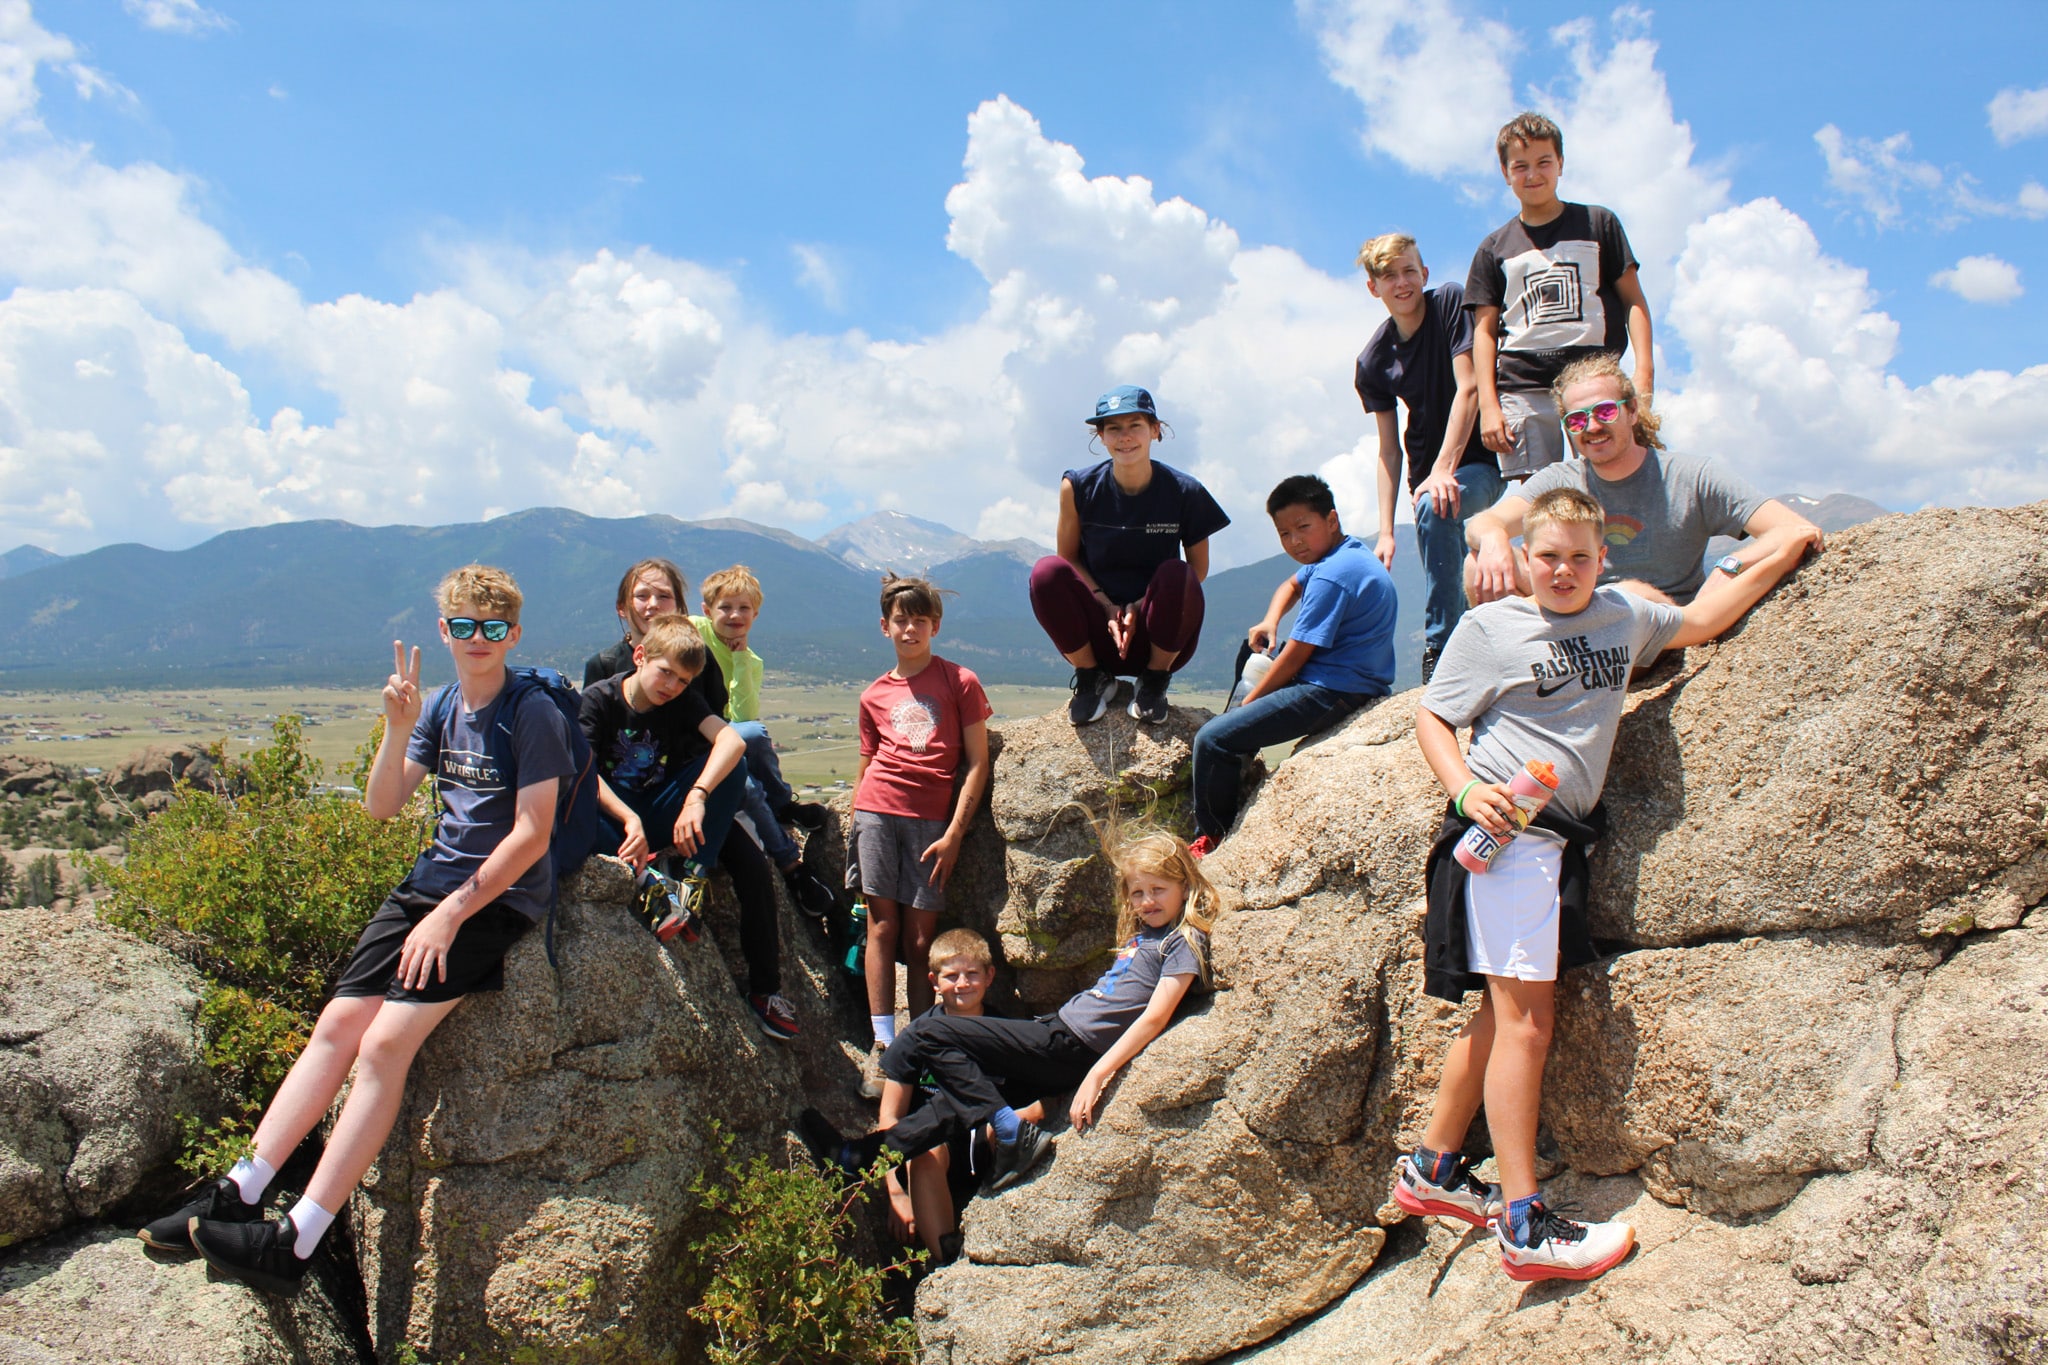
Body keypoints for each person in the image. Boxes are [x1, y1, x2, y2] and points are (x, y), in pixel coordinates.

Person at [1395, 487, 1818, 1283]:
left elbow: (1706, 616)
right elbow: (1434, 715)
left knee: (1500, 1013)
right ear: (1526, 557)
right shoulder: (1493, 628)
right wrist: (1463, 788)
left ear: (1602, 559)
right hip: (1508, 838)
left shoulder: (1623, 614)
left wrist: (1785, 544)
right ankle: (1524, 1224)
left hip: (1556, 844)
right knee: (1527, 1025)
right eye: (1548, 556)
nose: (1563, 571)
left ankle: (1434, 1168)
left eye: (1579, 558)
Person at [143, 565, 574, 1295]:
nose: (477, 639)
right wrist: (398, 727)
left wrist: (451, 914)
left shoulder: (530, 713)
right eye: (464, 625)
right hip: (428, 885)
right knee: (339, 1023)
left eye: (493, 627)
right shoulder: (442, 706)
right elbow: (381, 805)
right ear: (444, 630)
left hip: (493, 900)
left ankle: (297, 1239)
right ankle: (241, 1190)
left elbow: (532, 835)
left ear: (514, 635)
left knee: (383, 1044)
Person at [820, 827, 1220, 1196]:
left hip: (1067, 1045)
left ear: (1184, 886)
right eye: (1137, 893)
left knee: (928, 1033)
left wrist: (1098, 1074)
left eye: (1158, 890)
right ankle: (856, 1159)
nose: (1147, 901)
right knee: (951, 1107)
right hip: (1057, 1038)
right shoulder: (1146, 935)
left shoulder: (1181, 941)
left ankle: (1003, 1128)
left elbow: (1155, 1016)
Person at [578, 614, 800, 1040]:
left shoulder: (680, 700)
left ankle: (688, 877)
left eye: (683, 680)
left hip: (664, 811)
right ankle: (648, 878)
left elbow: (732, 741)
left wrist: (697, 796)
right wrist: (629, 819)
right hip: (614, 817)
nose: (672, 686)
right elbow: (583, 774)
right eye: (665, 673)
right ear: (640, 656)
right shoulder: (598, 699)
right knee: (569, 814)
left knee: (734, 781)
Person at [1464, 354, 1824, 611]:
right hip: (1582, 614)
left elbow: (1795, 529)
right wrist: (1494, 537)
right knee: (1477, 561)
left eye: (1605, 411)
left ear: (1633, 410)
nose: (1592, 427)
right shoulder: (1561, 480)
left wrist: (1730, 566)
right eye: (1576, 420)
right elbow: (1483, 523)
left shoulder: (1692, 476)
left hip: (1658, 623)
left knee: (1633, 596)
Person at [799, 929, 1044, 1267]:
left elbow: (1035, 1097)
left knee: (1010, 1122)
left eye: (972, 974)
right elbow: (890, 1117)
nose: (962, 984)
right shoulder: (916, 1037)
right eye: (951, 976)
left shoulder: (1005, 1030)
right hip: (929, 1157)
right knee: (928, 1150)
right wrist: (896, 1193)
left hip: (985, 1148)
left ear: (990, 976)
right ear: (933, 981)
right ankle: (947, 1258)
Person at [1188, 474, 1396, 858]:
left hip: (1334, 689)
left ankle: (1211, 836)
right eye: (1284, 533)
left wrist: (1250, 703)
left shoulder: (1334, 574)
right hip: (1332, 676)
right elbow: (1291, 585)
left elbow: (1297, 655)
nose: (1295, 541)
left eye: (1303, 528)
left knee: (1212, 739)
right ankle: (1237, 755)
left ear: (1331, 520)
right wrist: (1271, 621)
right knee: (1252, 650)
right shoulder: (1339, 553)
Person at [851, 575, 993, 1097]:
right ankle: (883, 1045)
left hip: (932, 824)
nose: (909, 629)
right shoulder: (873, 694)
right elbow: (867, 764)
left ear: (935, 626)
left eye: (919, 620)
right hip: (875, 814)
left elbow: (976, 764)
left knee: (918, 941)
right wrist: (854, 830)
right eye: (900, 620)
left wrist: (955, 833)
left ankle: (922, 1041)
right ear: (884, 626)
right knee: (881, 928)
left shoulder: (960, 681)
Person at [1465, 112, 1652, 484]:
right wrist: (1489, 404)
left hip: (1595, 381)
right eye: (1520, 166)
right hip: (1524, 385)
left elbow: (1633, 300)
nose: (1533, 174)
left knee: (1616, 481)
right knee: (1540, 497)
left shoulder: (1599, 224)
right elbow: (1484, 332)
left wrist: (1644, 373)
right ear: (1505, 172)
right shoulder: (1493, 248)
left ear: (1561, 163)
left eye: (1543, 162)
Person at [1029, 385, 1231, 726]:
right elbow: (1068, 560)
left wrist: (1138, 605)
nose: (1125, 437)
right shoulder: (1077, 487)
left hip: (1158, 635)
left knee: (1178, 573)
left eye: (1135, 425)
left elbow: (1197, 570)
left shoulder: (1185, 492)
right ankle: (1092, 678)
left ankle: (1154, 681)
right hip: (1097, 634)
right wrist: (1106, 606)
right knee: (1046, 572)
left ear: (1155, 430)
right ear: (1101, 436)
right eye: (1113, 428)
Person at [1354, 232, 1500, 682]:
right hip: (1426, 476)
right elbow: (1388, 450)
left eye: (1409, 271)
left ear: (1425, 273)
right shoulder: (1373, 360)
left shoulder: (1450, 303)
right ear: (1373, 287)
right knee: (1440, 524)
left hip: (1480, 460)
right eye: (1389, 275)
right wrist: (1385, 532)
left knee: (1439, 505)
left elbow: (1469, 387)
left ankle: (1440, 649)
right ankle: (1474, 651)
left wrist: (1443, 468)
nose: (1402, 283)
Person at [691, 564, 837, 919]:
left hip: (725, 733)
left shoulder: (751, 661)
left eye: (744, 608)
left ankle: (783, 804)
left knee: (754, 734)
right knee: (746, 786)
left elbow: (744, 716)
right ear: (707, 610)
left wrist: (740, 658)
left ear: (755, 615)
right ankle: (792, 866)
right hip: (692, 735)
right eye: (725, 607)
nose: (735, 615)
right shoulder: (693, 630)